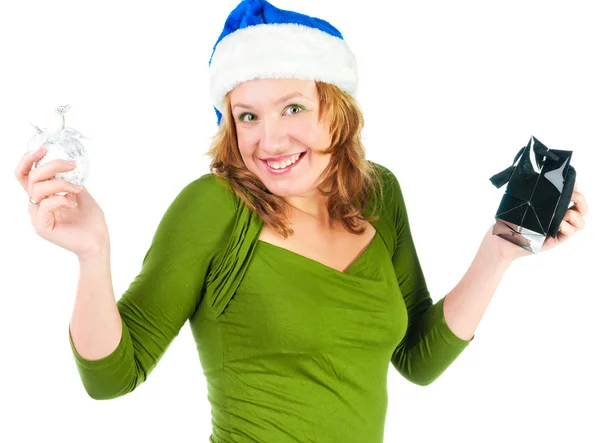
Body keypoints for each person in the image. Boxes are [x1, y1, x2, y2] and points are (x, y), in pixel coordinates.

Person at [14, 0, 589, 442]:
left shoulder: (377, 193)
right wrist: (93, 254)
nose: (270, 140)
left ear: (334, 110)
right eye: (247, 116)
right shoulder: (213, 207)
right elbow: (112, 377)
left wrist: (502, 248)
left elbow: (418, 358)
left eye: (294, 107)